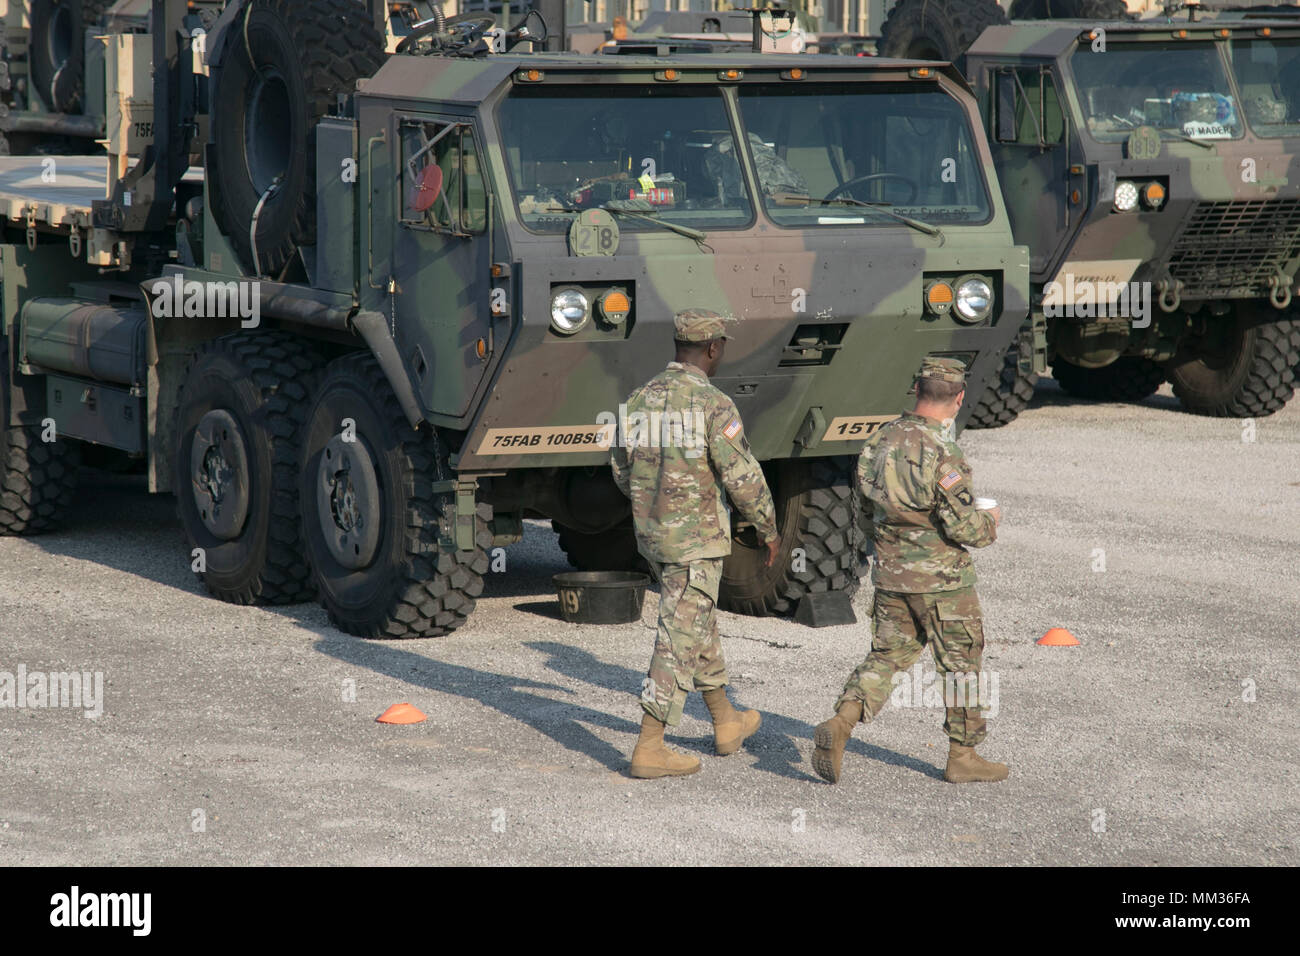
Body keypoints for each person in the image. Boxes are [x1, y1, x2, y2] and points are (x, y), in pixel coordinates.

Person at [812, 356, 1008, 785]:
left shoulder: (879, 441)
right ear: (958, 399)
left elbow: (862, 511)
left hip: (892, 575)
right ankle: (963, 755)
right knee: (960, 664)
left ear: (916, 391)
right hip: (943, 582)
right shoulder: (943, 452)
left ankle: (841, 723)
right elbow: (966, 528)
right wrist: (990, 521)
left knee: (887, 654)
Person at [610, 309, 781, 779]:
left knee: (695, 622)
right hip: (697, 541)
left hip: (654, 537)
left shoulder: (637, 401)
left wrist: (655, 505)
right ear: (712, 348)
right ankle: (649, 746)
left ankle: (726, 722)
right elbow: (742, 475)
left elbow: (622, 471)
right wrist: (767, 528)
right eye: (722, 345)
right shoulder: (714, 404)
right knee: (677, 637)